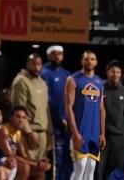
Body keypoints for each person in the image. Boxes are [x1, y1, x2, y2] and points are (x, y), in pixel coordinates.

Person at [65, 51, 105, 180]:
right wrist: (75, 133)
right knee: (80, 167)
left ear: (96, 62)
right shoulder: (73, 79)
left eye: (92, 59)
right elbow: (69, 107)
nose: (89, 61)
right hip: (80, 132)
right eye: (86, 59)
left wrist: (102, 133)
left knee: (91, 168)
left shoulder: (100, 81)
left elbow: (101, 108)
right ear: (82, 61)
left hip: (94, 133)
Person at [10, 54, 52, 164]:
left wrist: (50, 133)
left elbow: (46, 110)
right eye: (33, 64)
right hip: (29, 134)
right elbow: (18, 111)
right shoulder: (21, 81)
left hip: (43, 133)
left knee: (41, 169)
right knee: (27, 168)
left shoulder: (43, 83)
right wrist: (28, 133)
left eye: (39, 64)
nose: (36, 67)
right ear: (27, 64)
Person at [0, 105, 51, 180]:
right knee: (24, 167)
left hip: (13, 161)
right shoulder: (3, 129)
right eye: (18, 117)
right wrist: (34, 163)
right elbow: (9, 155)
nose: (21, 120)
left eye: (23, 118)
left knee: (40, 171)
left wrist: (38, 162)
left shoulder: (18, 132)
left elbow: (24, 155)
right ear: (11, 118)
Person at [97, 61, 124, 180]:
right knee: (98, 170)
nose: (115, 74)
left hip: (119, 139)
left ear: (121, 74)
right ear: (107, 73)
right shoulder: (99, 89)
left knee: (116, 172)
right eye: (112, 71)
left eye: (118, 72)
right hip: (103, 137)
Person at [41, 45, 71, 180]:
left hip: (67, 123)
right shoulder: (44, 72)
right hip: (52, 123)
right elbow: (49, 99)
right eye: (55, 54)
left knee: (67, 157)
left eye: (60, 54)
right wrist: (60, 118)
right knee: (55, 158)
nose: (58, 56)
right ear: (49, 55)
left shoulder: (66, 74)